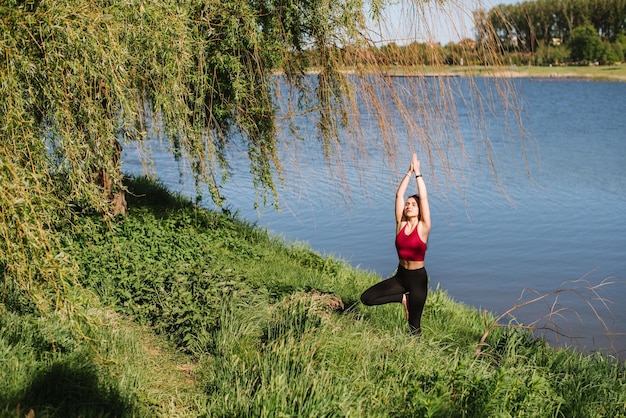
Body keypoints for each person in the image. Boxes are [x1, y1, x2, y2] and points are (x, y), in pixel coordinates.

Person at [360, 152, 431, 335]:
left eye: (412, 205)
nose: (408, 206)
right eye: (407, 204)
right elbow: (398, 196)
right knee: (367, 298)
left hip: (417, 279)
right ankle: (402, 299)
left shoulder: (424, 227)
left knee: (414, 327)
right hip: (401, 276)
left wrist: (418, 173)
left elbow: (423, 197)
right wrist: (408, 172)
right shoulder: (400, 224)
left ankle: (416, 356)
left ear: (419, 209)